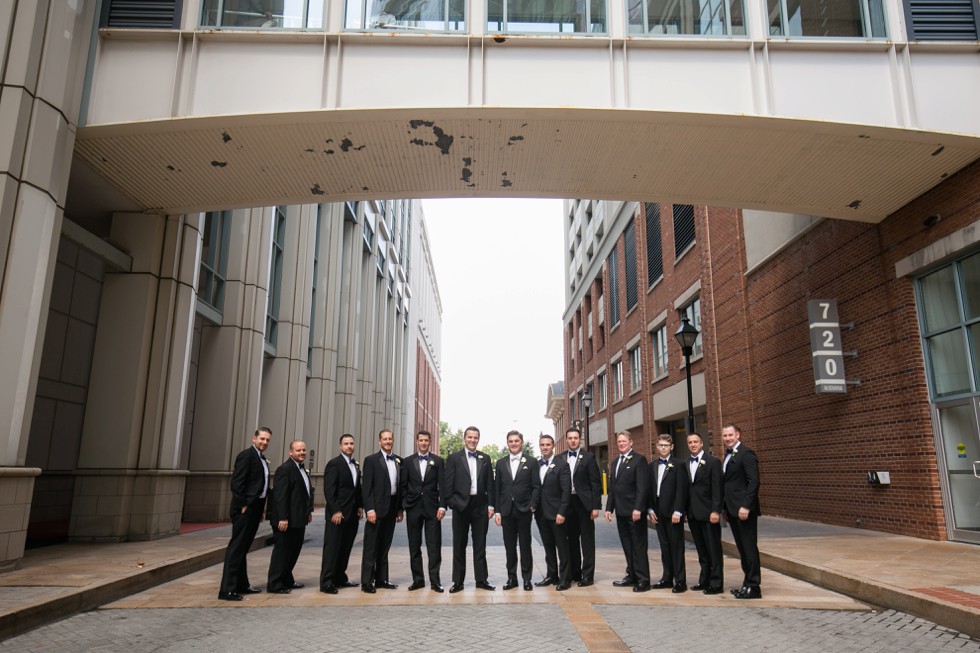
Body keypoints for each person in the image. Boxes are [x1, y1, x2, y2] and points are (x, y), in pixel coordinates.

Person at [218, 427, 271, 601]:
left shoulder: (261, 458)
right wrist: (243, 504)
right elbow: (237, 483)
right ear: (253, 439)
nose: (264, 442)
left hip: (255, 508)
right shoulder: (246, 455)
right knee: (236, 548)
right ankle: (227, 589)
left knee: (243, 548)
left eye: (267, 440)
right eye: (262, 439)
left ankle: (241, 584)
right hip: (245, 509)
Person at [443, 425, 496, 592]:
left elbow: (490, 484)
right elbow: (447, 484)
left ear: (478, 439)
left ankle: (481, 580)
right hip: (461, 507)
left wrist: (491, 505)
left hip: (480, 507)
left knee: (480, 546)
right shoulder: (453, 458)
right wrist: (453, 503)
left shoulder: (485, 458)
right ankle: (458, 582)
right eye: (470, 437)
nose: (472, 440)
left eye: (475, 437)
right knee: (459, 545)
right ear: (464, 438)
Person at [605, 430, 651, 592]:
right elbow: (613, 489)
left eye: (624, 441)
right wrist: (609, 508)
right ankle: (631, 575)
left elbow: (642, 488)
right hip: (621, 513)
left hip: (635, 512)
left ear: (631, 442)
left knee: (638, 546)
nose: (621, 444)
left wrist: (638, 508)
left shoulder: (639, 460)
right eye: (619, 442)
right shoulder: (616, 461)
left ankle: (643, 580)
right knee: (627, 546)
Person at [266, 440, 314, 594]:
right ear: (290, 452)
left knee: (293, 551)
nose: (302, 453)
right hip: (286, 520)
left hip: (298, 519)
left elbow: (304, 493)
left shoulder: (302, 469)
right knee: (282, 552)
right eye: (298, 450)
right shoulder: (284, 469)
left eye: (303, 450)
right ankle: (275, 584)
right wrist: (283, 518)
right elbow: (280, 496)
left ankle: (287, 579)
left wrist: (308, 512)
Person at [494, 430, 539, 591]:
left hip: (524, 510)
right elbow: (497, 489)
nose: (513, 444)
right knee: (510, 548)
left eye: (516, 441)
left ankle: (527, 579)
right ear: (507, 443)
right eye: (510, 441)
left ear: (522, 442)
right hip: (506, 511)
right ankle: (512, 579)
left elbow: (536, 486)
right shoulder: (500, 463)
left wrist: (532, 506)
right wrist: (497, 511)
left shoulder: (532, 462)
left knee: (525, 546)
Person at [401, 430, 446, 592]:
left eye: (426, 440)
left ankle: (435, 581)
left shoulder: (438, 461)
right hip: (413, 508)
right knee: (414, 546)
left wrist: (442, 506)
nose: (424, 443)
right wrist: (405, 503)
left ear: (430, 442)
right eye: (421, 440)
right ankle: (418, 580)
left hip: (433, 509)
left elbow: (443, 485)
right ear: (417, 442)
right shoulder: (407, 462)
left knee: (434, 546)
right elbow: (403, 485)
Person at [722, 423, 762, 599]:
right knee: (742, 549)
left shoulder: (747, 454)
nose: (727, 439)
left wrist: (746, 505)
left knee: (749, 548)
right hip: (732, 510)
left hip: (744, 510)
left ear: (738, 435)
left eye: (730, 435)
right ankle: (746, 583)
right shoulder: (728, 455)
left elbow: (753, 482)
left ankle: (754, 587)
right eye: (725, 436)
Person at [360, 428, 403, 593]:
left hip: (392, 509)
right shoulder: (371, 460)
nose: (387, 442)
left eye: (390, 439)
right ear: (379, 441)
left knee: (385, 546)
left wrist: (400, 509)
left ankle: (382, 579)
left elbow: (399, 487)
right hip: (376, 510)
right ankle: (367, 582)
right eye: (384, 439)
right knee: (371, 546)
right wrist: (369, 509)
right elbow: (367, 487)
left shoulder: (399, 460)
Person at [319, 434, 362, 594]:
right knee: (332, 548)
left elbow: (356, 488)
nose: (349, 446)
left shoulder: (356, 465)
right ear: (340, 446)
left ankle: (340, 577)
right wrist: (335, 510)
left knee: (345, 548)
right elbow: (329, 490)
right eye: (346, 443)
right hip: (337, 515)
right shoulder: (334, 464)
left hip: (351, 515)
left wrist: (359, 506)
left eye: (351, 443)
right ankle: (326, 582)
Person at [648, 434, 688, 593]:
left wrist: (678, 511)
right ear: (657, 447)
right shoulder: (652, 466)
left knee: (677, 547)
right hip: (658, 512)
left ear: (671, 447)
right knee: (664, 547)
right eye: (660, 445)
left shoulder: (679, 465)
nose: (663, 448)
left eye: (666, 445)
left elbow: (681, 490)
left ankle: (680, 581)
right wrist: (650, 509)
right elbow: (650, 490)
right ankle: (667, 578)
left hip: (673, 512)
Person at [563, 426, 602, 586]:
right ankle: (575, 573)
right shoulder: (560, 458)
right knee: (571, 540)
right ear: (566, 440)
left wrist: (595, 506)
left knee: (587, 541)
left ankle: (588, 575)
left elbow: (596, 483)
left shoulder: (589, 458)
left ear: (580, 440)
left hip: (584, 504)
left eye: (575, 438)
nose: (573, 440)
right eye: (570, 438)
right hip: (567, 503)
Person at [686, 432, 724, 595]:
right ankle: (704, 579)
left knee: (713, 550)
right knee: (701, 550)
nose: (693, 444)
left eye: (695, 442)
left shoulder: (713, 462)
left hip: (709, 513)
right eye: (690, 442)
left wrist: (716, 510)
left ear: (702, 443)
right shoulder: (685, 463)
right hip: (693, 514)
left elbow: (718, 488)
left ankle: (716, 583)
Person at [535, 434, 572, 591]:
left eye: (548, 445)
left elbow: (566, 491)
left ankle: (565, 578)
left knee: (562, 546)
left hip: (557, 513)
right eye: (542, 445)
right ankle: (552, 575)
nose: (545, 447)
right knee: (548, 545)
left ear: (553, 446)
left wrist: (562, 512)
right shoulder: (535, 465)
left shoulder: (562, 465)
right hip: (541, 513)